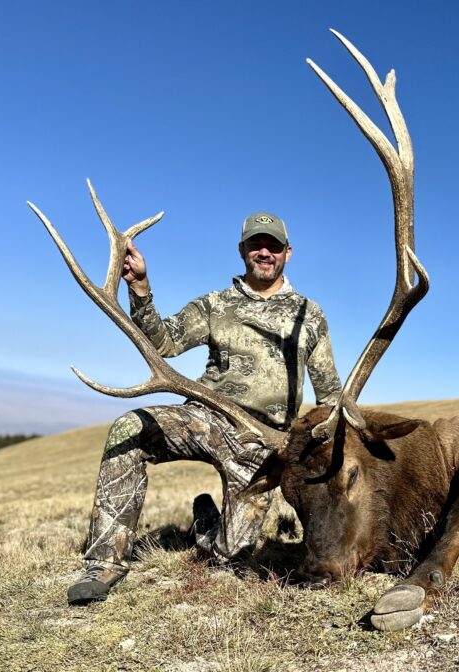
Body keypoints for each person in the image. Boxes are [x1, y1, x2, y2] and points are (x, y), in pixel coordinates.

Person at [67, 212, 342, 605]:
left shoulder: (308, 314)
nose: (264, 252)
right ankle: (104, 563)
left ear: (287, 253)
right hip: (207, 417)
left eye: (273, 246)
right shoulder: (215, 305)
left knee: (230, 560)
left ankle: (207, 524)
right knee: (129, 429)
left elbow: (329, 393)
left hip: (262, 444)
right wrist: (141, 288)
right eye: (255, 245)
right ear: (242, 250)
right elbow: (163, 342)